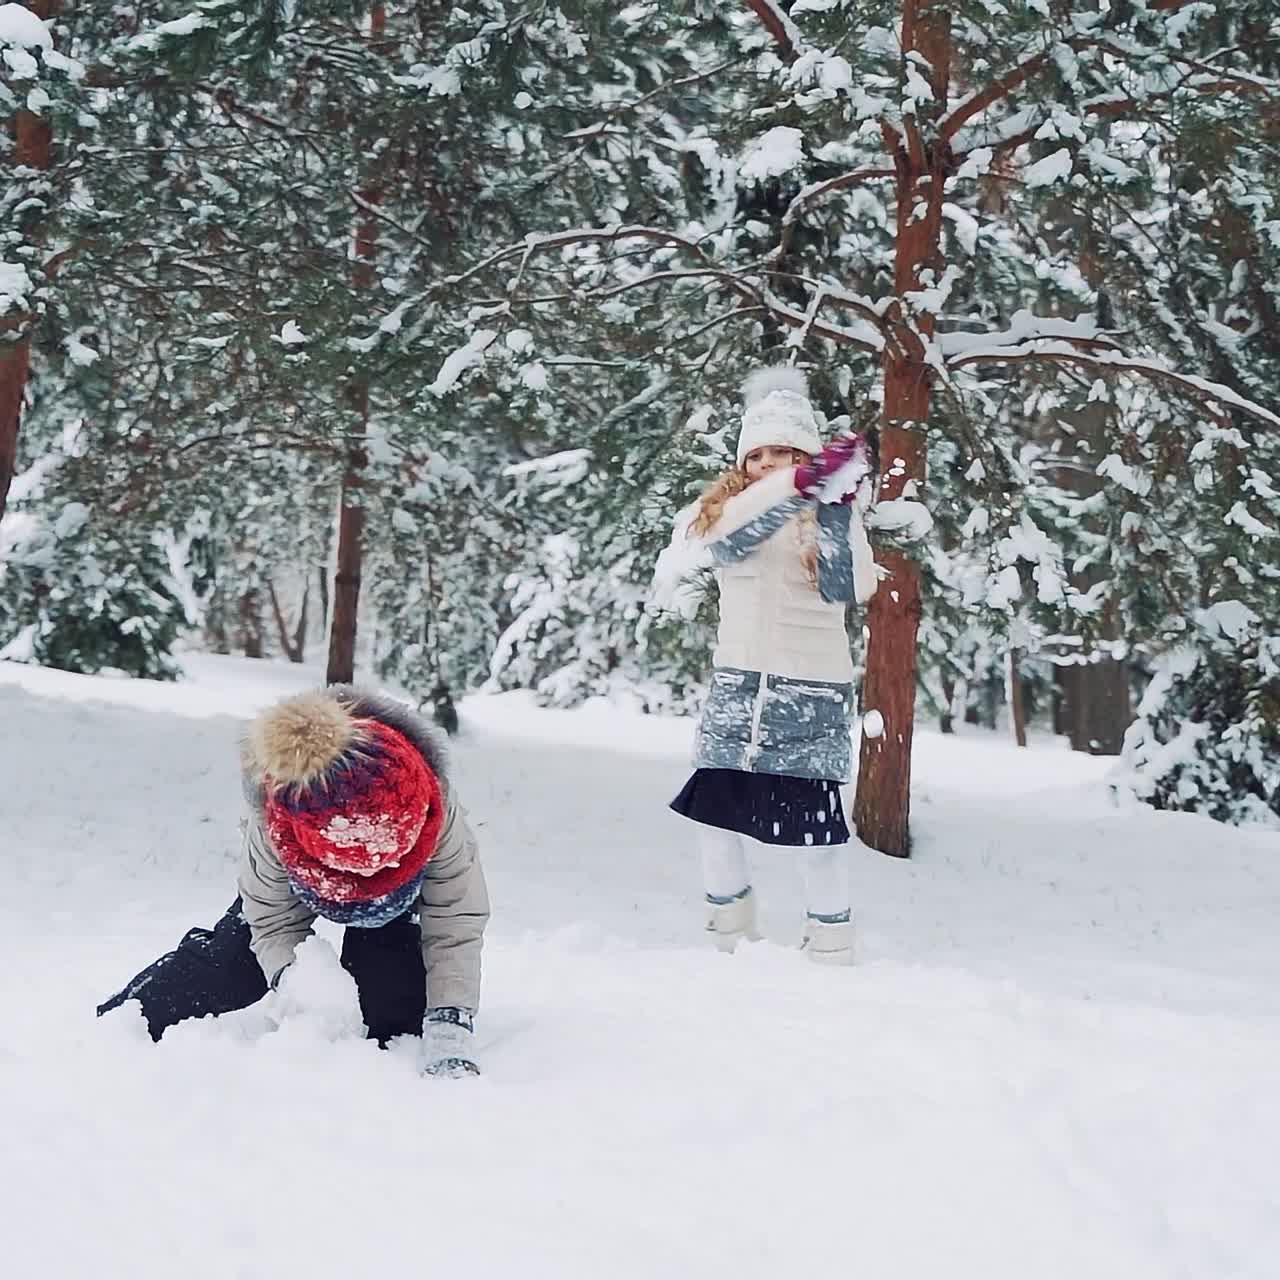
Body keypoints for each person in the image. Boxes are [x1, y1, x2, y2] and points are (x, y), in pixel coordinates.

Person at [97, 685, 490, 1076]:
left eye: (383, 862)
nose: (367, 874)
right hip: (296, 885)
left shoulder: (434, 806)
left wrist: (450, 1017)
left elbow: (454, 920)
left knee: (392, 1015)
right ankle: (118, 1019)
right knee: (232, 967)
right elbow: (271, 920)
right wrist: (294, 980)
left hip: (395, 907)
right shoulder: (279, 819)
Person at [661, 367, 877, 963]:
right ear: (744, 463)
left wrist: (832, 509)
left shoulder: (833, 515)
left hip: (811, 690)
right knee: (715, 815)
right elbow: (731, 540)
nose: (772, 464)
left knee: (818, 828)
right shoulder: (727, 511)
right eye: (761, 455)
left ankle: (831, 942)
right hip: (739, 686)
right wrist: (801, 484)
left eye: (787, 453)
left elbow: (846, 585)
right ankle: (729, 935)